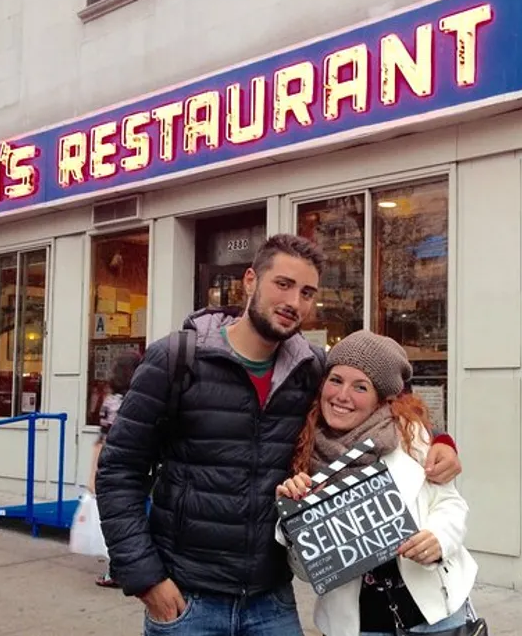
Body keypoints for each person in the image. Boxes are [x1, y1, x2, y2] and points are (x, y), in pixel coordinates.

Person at [96, 233, 462, 636]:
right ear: (250, 281)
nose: (294, 302)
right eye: (283, 284)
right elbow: (119, 471)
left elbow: (387, 396)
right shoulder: (176, 359)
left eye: (307, 292)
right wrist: (145, 577)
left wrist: (442, 441)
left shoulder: (311, 368)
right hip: (188, 598)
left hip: (271, 601)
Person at [276, 330, 478, 636]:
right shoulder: (304, 452)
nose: (342, 396)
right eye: (336, 380)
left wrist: (438, 538)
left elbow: (450, 504)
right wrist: (294, 520)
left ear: (380, 397)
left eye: (360, 386)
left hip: (437, 615)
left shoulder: (411, 438)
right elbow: (305, 572)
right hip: (358, 626)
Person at [90, 349, 142, 589]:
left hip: (116, 469)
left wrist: (94, 474)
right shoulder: (141, 399)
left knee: (121, 521)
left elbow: (103, 438)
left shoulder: (111, 402)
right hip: (142, 467)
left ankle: (117, 571)